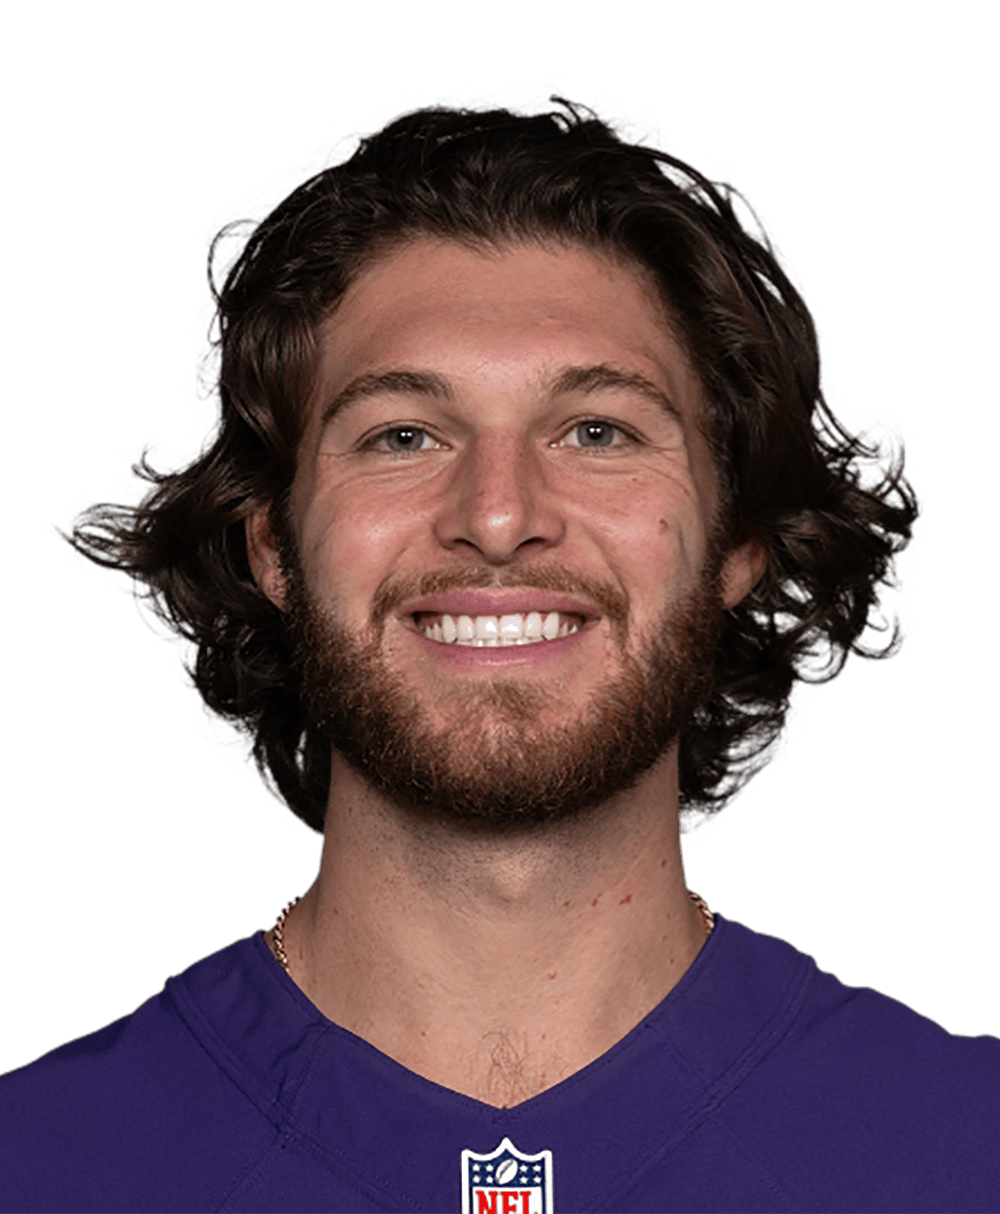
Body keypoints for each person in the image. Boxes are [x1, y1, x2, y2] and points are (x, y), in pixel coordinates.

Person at [2, 79, 995, 1214]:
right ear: (273, 542)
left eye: (597, 429)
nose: (495, 512)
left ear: (736, 543)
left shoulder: (972, 1146)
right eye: (403, 433)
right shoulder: (32, 1163)